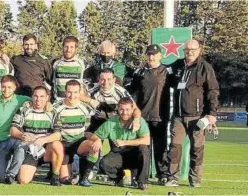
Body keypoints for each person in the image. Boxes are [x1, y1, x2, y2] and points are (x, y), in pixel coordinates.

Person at [165, 39, 219, 188]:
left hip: (198, 116)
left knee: (197, 149)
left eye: (193, 49)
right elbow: (163, 73)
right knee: (175, 148)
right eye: (187, 49)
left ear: (199, 50)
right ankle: (172, 178)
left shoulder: (205, 68)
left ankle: (195, 179)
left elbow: (212, 91)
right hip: (178, 116)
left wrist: (211, 113)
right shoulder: (177, 65)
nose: (189, 52)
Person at [126, 44, 172, 184]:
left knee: (161, 148)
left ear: (160, 55)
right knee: (142, 149)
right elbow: (130, 94)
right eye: (149, 54)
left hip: (160, 117)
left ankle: (162, 175)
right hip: (142, 118)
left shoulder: (167, 71)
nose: (151, 57)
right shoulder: (139, 73)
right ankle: (140, 176)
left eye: (154, 54)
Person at [37, 80, 97, 186]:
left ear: (80, 93)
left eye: (75, 92)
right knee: (65, 179)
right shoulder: (56, 107)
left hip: (78, 143)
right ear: (65, 92)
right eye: (69, 92)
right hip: (63, 144)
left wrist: (97, 139)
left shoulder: (87, 108)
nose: (72, 95)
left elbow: (87, 128)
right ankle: (54, 173)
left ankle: (84, 178)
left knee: (94, 146)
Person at [86, 97, 151, 190]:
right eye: (121, 109)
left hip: (135, 153)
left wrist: (124, 142)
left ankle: (142, 182)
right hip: (118, 153)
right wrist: (98, 139)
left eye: (127, 109)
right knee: (104, 163)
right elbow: (94, 135)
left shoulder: (140, 121)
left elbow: (146, 140)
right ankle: (120, 177)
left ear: (133, 110)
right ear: (118, 109)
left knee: (144, 149)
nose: (124, 112)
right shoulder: (111, 122)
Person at [14, 86, 63, 186]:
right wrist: (22, 135)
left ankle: (55, 176)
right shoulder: (24, 110)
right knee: (23, 180)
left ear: (47, 98)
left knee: (57, 145)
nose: (38, 99)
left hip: (46, 149)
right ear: (32, 97)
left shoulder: (53, 112)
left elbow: (58, 134)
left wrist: (43, 140)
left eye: (42, 96)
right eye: (35, 96)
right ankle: (32, 168)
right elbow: (13, 129)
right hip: (30, 149)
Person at [0, 75, 31, 184]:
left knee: (21, 145)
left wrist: (48, 104)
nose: (6, 90)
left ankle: (12, 174)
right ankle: (6, 174)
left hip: (13, 138)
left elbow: (38, 101)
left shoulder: (21, 99)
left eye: (9, 87)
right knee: (0, 177)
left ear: (14, 88)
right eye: (3, 87)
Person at [51, 36, 87, 101]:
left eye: (71, 47)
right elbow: (51, 83)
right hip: (58, 102)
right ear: (63, 47)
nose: (68, 50)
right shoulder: (55, 63)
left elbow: (82, 84)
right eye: (66, 47)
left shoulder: (81, 63)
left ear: (76, 49)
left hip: (75, 102)